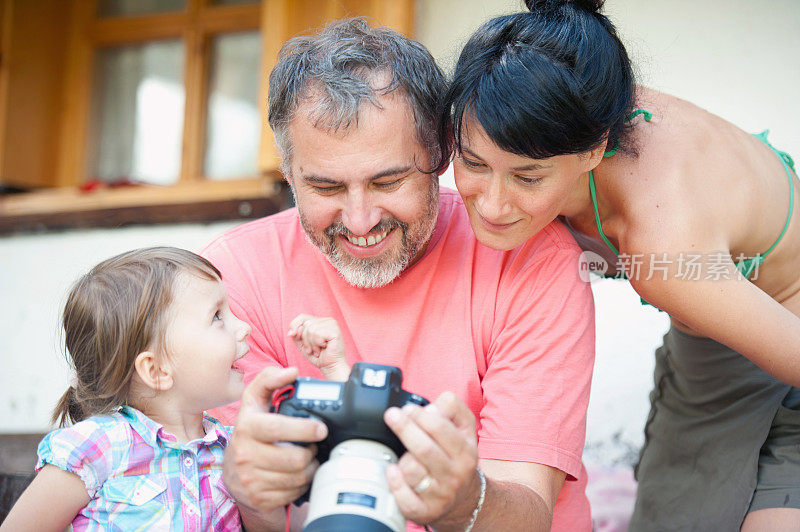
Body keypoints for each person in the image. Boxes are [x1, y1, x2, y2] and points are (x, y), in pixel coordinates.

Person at [201, 17, 595, 532]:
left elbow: (527, 513)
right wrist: (252, 495)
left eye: (388, 181)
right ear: (288, 172)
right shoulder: (231, 278)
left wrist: (464, 501)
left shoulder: (530, 260)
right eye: (325, 188)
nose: (360, 220)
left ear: (440, 154)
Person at [439, 0, 800, 530]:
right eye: (472, 164)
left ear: (594, 150)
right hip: (714, 338)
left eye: (528, 178)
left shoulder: (662, 247)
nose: (492, 204)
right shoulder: (573, 86)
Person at [0, 247, 251, 532]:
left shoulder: (235, 449)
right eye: (217, 316)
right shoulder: (97, 447)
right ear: (156, 369)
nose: (244, 327)